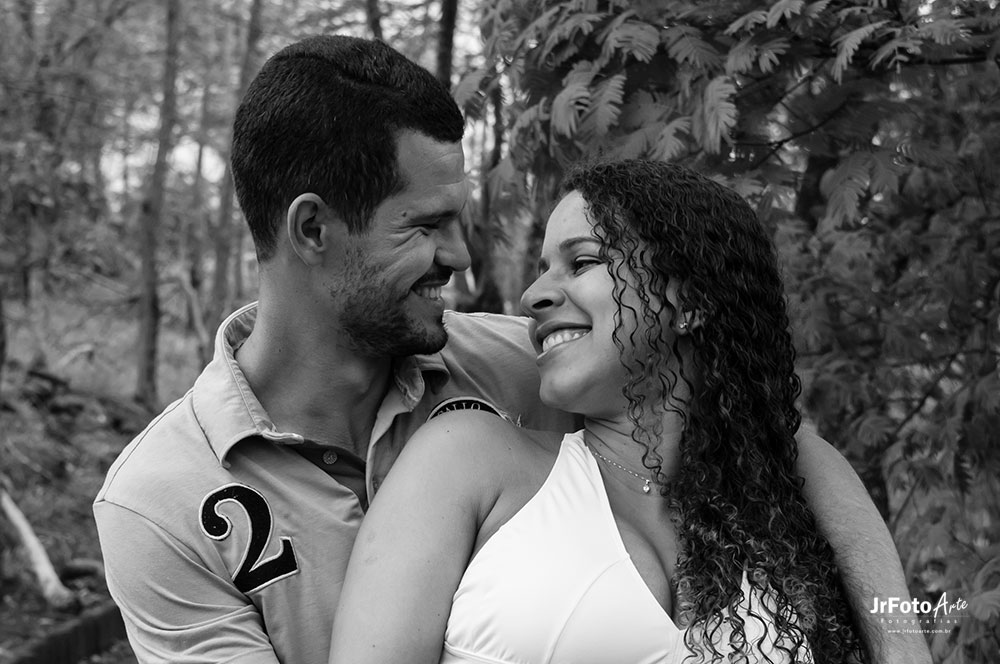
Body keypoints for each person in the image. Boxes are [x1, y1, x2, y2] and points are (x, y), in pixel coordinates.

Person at [93, 36, 925, 664]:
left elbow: (770, 436)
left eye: (461, 220)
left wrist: (900, 641)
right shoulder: (160, 502)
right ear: (313, 228)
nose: (462, 258)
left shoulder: (528, 363)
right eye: (425, 226)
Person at [329, 161, 931, 664]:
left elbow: (899, 640)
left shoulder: (791, 488)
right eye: (541, 270)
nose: (533, 296)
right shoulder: (465, 459)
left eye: (582, 262)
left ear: (690, 300)